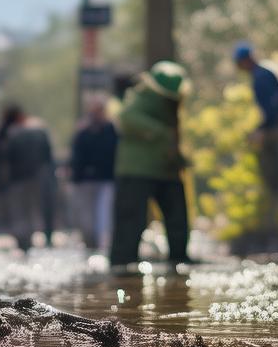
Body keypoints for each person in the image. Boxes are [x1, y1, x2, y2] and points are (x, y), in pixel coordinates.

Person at [109, 60, 191, 267]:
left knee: (177, 218)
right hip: (136, 171)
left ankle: (179, 258)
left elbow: (174, 136)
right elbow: (126, 117)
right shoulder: (140, 97)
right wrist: (160, 133)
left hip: (167, 170)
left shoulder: (172, 103)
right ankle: (123, 262)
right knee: (131, 219)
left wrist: (179, 159)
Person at [233, 42, 278, 250]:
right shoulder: (264, 72)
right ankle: (275, 222)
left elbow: (275, 107)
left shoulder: (262, 76)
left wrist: (263, 130)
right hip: (275, 127)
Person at [0, 105, 55, 252]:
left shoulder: (6, 134)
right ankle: (29, 239)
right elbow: (47, 157)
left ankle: (23, 241)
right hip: (33, 178)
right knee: (31, 210)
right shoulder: (36, 131)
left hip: (15, 181)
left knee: (18, 212)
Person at [69, 96, 118, 251]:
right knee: (86, 217)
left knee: (104, 215)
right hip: (85, 181)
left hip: (106, 179)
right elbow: (76, 157)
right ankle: (90, 244)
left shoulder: (112, 130)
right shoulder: (82, 131)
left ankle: (103, 245)